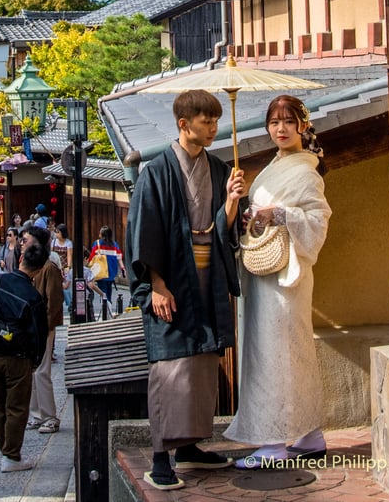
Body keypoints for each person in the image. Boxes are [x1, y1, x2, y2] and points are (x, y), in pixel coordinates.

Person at [126, 88, 246, 490]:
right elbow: (144, 230)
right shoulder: (156, 172)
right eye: (205, 121)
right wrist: (156, 284)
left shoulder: (216, 167)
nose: (213, 128)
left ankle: (190, 447)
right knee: (170, 368)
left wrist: (231, 201)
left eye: (215, 121)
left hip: (207, 275)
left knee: (203, 365)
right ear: (184, 124)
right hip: (173, 278)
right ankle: (161, 456)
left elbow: (223, 226)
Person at [225, 95, 332, 469]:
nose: (280, 129)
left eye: (288, 121)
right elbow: (262, 214)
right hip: (266, 274)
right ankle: (308, 432)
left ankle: (273, 443)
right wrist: (247, 209)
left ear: (303, 124)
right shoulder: (276, 165)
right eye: (274, 122)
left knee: (275, 354)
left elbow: (317, 220)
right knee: (291, 352)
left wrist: (280, 213)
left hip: (287, 277)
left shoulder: (305, 170)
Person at [0, 244, 48, 472]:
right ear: (38, 270)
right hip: (17, 356)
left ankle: (6, 451)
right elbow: (39, 333)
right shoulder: (33, 296)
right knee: (16, 406)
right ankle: (11, 455)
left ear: (20, 261)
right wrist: (36, 360)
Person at [22, 225, 63, 434]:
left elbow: (54, 300)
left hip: (43, 326)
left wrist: (47, 327)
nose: (23, 243)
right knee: (32, 372)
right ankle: (37, 413)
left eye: (26, 239)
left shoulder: (49, 267)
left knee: (42, 372)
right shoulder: (26, 264)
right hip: (30, 327)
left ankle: (49, 416)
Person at [87, 226, 126, 303]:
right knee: (109, 292)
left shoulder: (97, 244)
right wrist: (123, 268)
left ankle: (106, 309)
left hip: (101, 273)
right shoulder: (114, 245)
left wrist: (88, 266)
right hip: (111, 273)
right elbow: (119, 257)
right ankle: (109, 306)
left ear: (102, 235)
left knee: (103, 293)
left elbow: (91, 257)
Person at [52, 224, 73, 309]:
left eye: (58, 232)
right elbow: (51, 253)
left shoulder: (68, 243)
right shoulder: (54, 242)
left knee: (66, 287)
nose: (56, 234)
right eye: (56, 232)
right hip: (56, 267)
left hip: (64, 267)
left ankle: (69, 304)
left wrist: (68, 266)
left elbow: (69, 255)